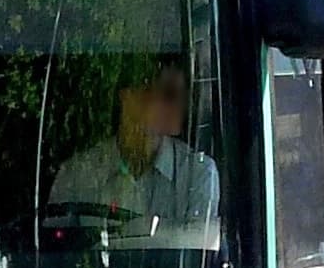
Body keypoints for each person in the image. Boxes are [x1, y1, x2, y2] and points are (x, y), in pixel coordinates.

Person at [51, 61, 221, 243]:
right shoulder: (77, 175)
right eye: (168, 94)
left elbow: (199, 254)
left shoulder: (199, 174)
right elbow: (54, 255)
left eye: (184, 95)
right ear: (128, 96)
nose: (181, 103)